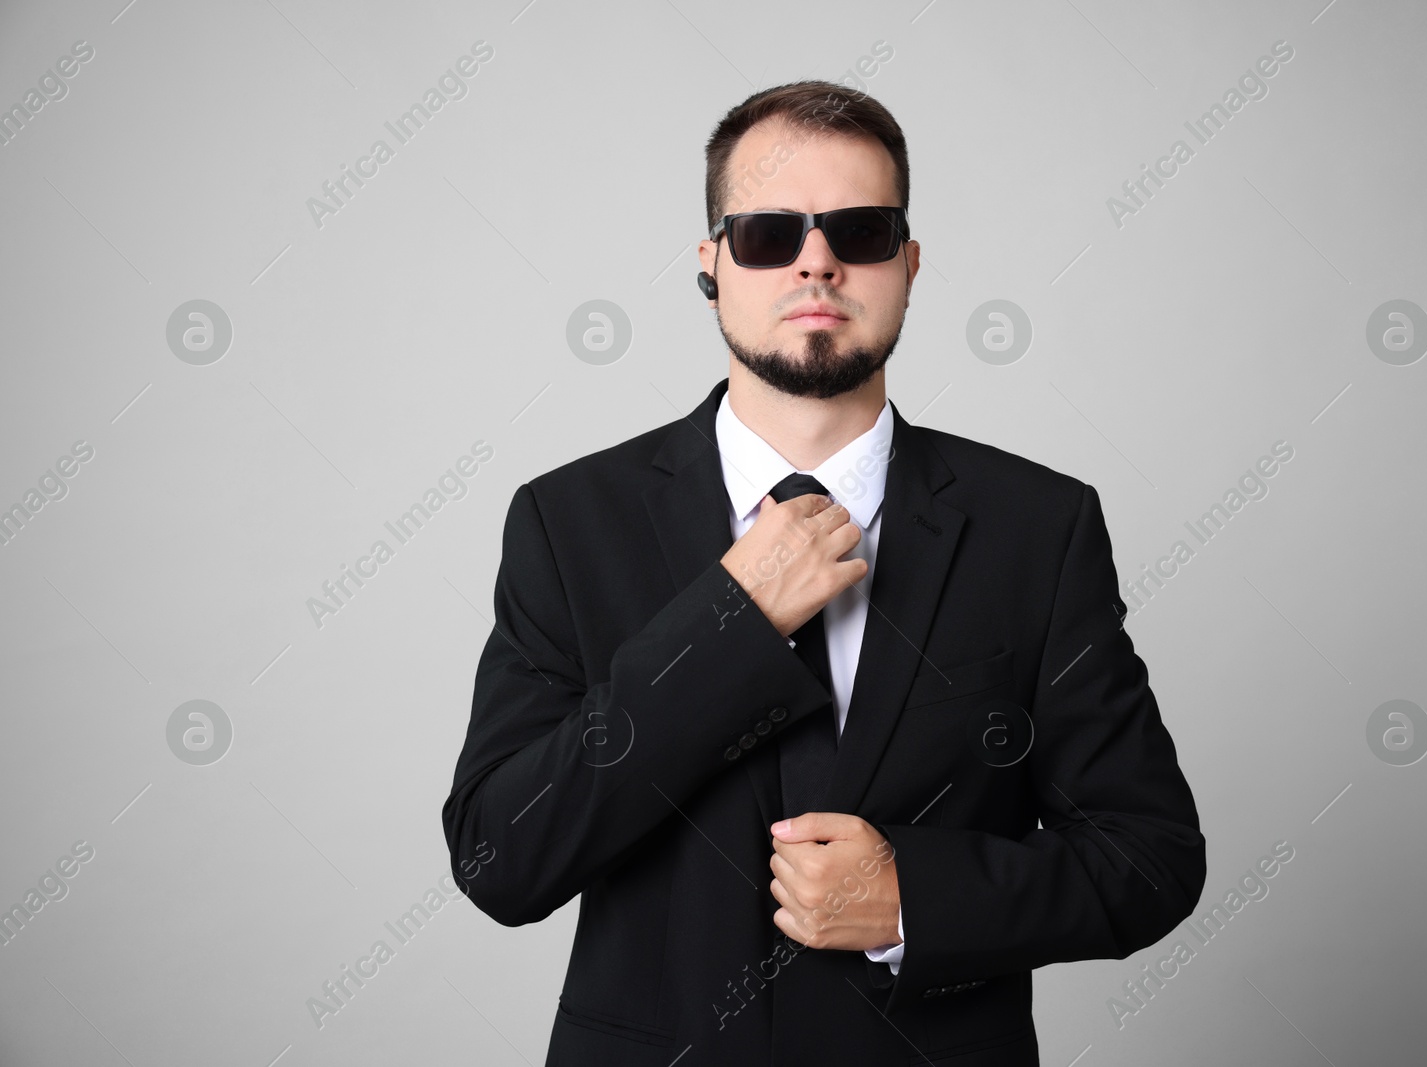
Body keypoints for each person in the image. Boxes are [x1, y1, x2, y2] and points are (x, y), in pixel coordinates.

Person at [441, 79, 1205, 1066]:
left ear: (909, 263)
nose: (816, 260)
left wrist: (912, 900)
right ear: (710, 264)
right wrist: (727, 623)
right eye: (767, 233)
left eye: (860, 229)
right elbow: (500, 855)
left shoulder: (1039, 526)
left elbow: (1148, 856)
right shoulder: (567, 519)